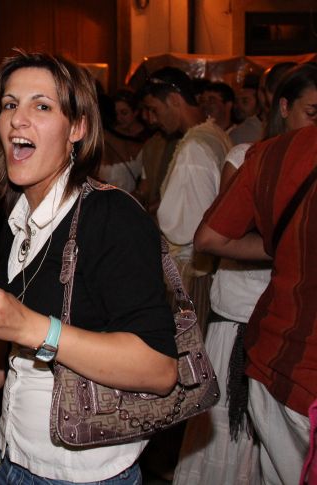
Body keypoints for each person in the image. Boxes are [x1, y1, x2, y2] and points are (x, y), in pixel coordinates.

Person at [0, 51, 178, 484]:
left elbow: (159, 369)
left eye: (42, 105)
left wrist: (31, 327)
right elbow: (10, 349)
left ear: (78, 128)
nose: (19, 118)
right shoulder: (17, 219)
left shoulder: (111, 216)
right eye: (9, 104)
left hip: (80, 474)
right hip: (7, 457)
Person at [193, 62, 317, 485]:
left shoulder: (268, 157)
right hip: (268, 336)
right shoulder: (252, 155)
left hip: (274, 344)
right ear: (283, 107)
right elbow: (209, 236)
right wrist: (284, 246)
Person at [141, 67, 232, 320]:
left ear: (173, 100)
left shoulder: (193, 147)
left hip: (192, 276)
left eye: (155, 109)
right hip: (207, 269)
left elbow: (188, 227)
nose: (154, 119)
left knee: (189, 355)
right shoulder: (215, 133)